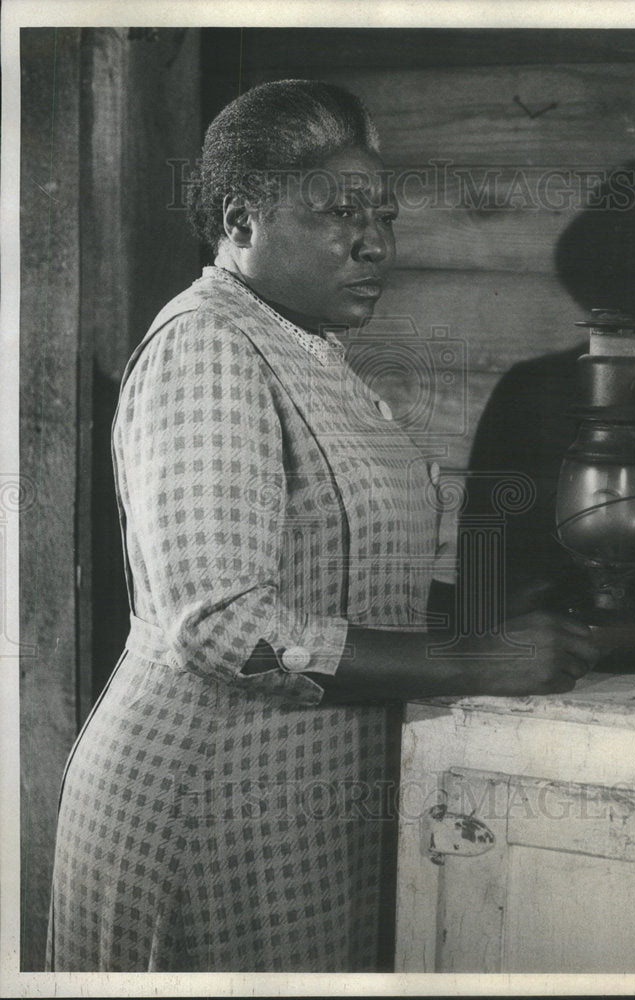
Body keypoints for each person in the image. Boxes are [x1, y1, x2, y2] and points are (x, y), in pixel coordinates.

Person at [47, 79, 598, 972]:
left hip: (292, 798)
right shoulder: (207, 344)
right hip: (206, 802)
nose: (374, 240)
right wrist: (477, 659)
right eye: (339, 212)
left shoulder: (304, 349)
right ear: (240, 221)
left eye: (383, 215)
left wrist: (475, 609)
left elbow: (328, 574)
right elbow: (222, 626)